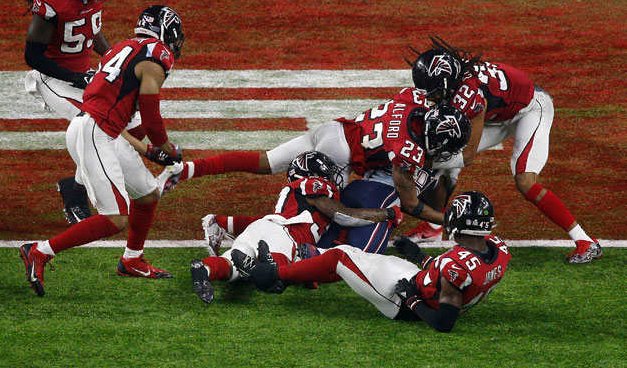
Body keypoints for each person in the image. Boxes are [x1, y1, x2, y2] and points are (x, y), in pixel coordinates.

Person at [19, 5, 185, 297]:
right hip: (94, 132)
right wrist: (164, 146)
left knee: (147, 194)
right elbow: (150, 116)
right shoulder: (156, 56)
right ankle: (40, 251)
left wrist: (147, 150)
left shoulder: (121, 48)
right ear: (165, 31)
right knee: (115, 218)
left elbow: (115, 119)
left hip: (100, 129)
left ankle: (132, 260)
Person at [405, 37, 601, 264]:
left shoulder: (470, 94)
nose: (430, 96)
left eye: (434, 91)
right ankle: (433, 227)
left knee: (525, 181)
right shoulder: (458, 82)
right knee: (444, 156)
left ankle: (585, 241)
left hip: (530, 110)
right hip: (497, 113)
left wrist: (423, 163)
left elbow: (467, 156)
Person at [161, 88, 471, 228]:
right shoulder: (406, 151)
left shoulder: (412, 98)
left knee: (265, 161)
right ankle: (229, 226)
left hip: (334, 129)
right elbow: (411, 205)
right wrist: (448, 220)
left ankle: (185, 169)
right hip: (340, 156)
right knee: (317, 216)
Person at [248, 191, 510, 333]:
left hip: (402, 301)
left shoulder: (456, 267)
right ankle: (292, 274)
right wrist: (418, 256)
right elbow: (449, 279)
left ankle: (274, 275)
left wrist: (411, 300)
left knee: (340, 258)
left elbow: (444, 323)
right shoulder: (497, 249)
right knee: (350, 253)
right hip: (418, 282)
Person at [190, 151, 405, 303]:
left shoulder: (294, 191)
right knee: (277, 279)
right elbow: (341, 215)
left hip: (263, 227)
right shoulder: (312, 185)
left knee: (230, 266)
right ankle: (254, 269)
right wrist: (386, 214)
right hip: (285, 234)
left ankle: (205, 269)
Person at [24, 0, 118, 225]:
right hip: (53, 78)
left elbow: (90, 30)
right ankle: (76, 194)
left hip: (82, 75)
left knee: (117, 121)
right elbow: (33, 56)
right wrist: (77, 77)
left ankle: (74, 185)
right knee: (93, 125)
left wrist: (113, 57)